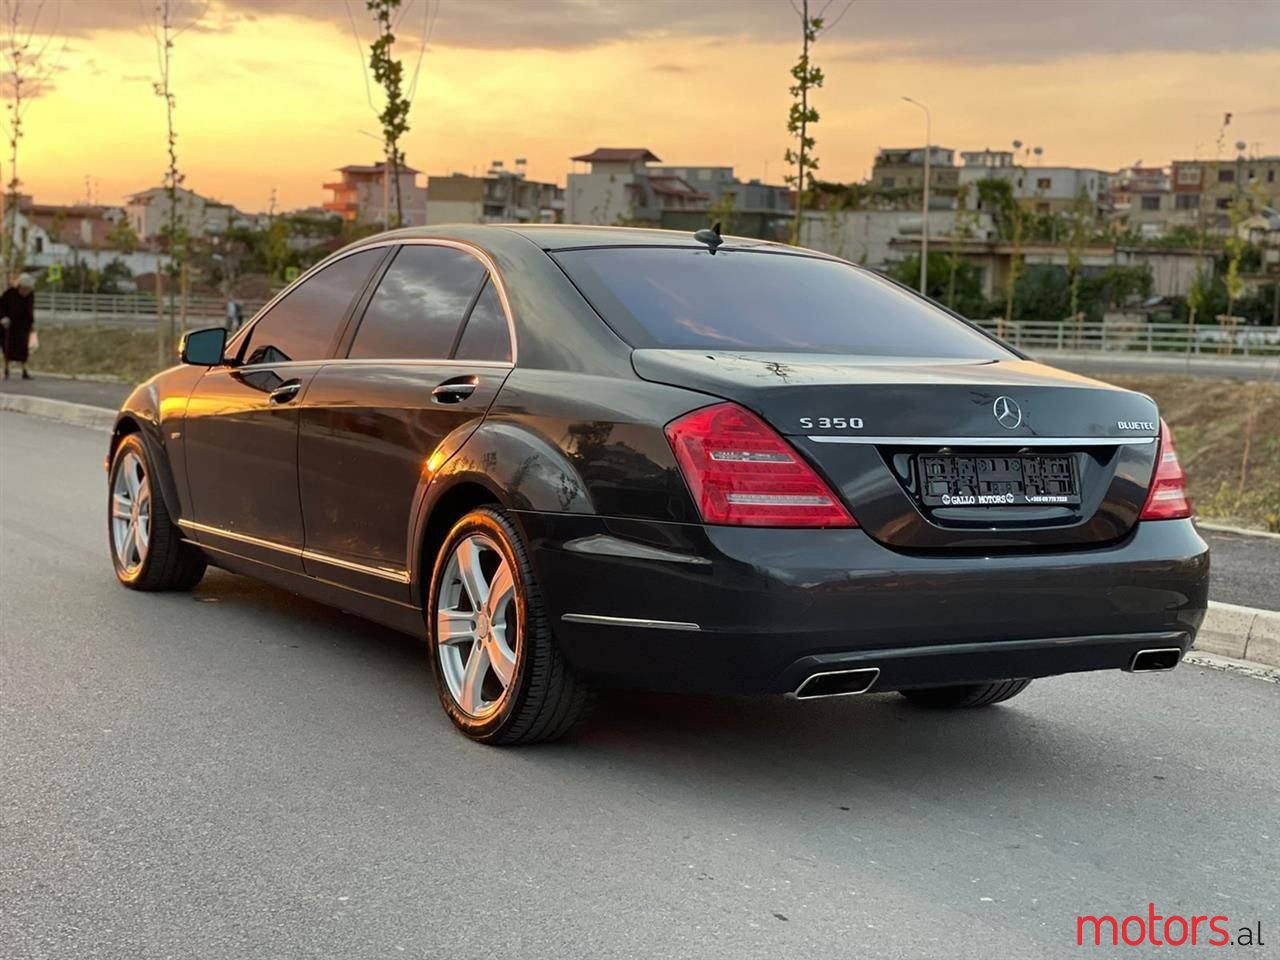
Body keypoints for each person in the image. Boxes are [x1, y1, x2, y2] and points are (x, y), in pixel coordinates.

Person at [0, 273, 36, 380]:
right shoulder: (9, 293)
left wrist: (31, 324)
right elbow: (1, 307)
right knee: (7, 348)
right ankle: (6, 369)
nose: (26, 291)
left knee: (24, 348)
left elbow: (30, 310)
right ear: (19, 286)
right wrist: (3, 318)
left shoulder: (30, 295)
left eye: (28, 289)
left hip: (23, 326)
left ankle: (24, 370)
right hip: (8, 326)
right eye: (24, 289)